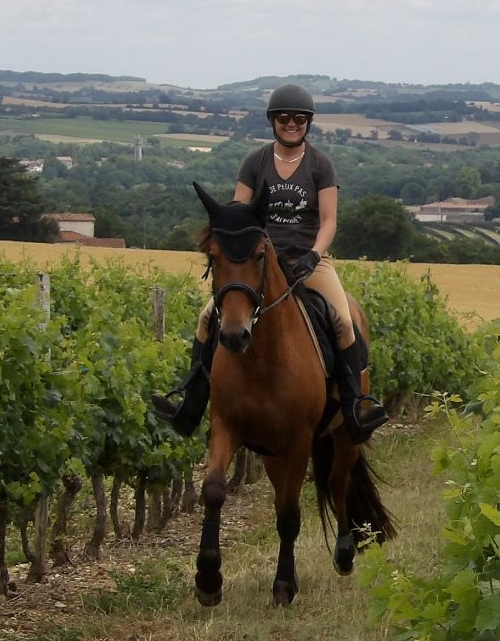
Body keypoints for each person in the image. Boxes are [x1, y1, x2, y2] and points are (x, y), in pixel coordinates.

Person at [152, 82, 389, 442]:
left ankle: (355, 408)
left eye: (298, 118)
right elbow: (238, 215)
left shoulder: (320, 164)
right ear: (273, 121)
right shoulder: (255, 162)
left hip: (308, 260)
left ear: (308, 122)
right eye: (284, 118)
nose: (291, 123)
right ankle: (191, 404)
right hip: (260, 261)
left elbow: (329, 221)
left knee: (342, 320)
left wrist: (313, 255)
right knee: (207, 317)